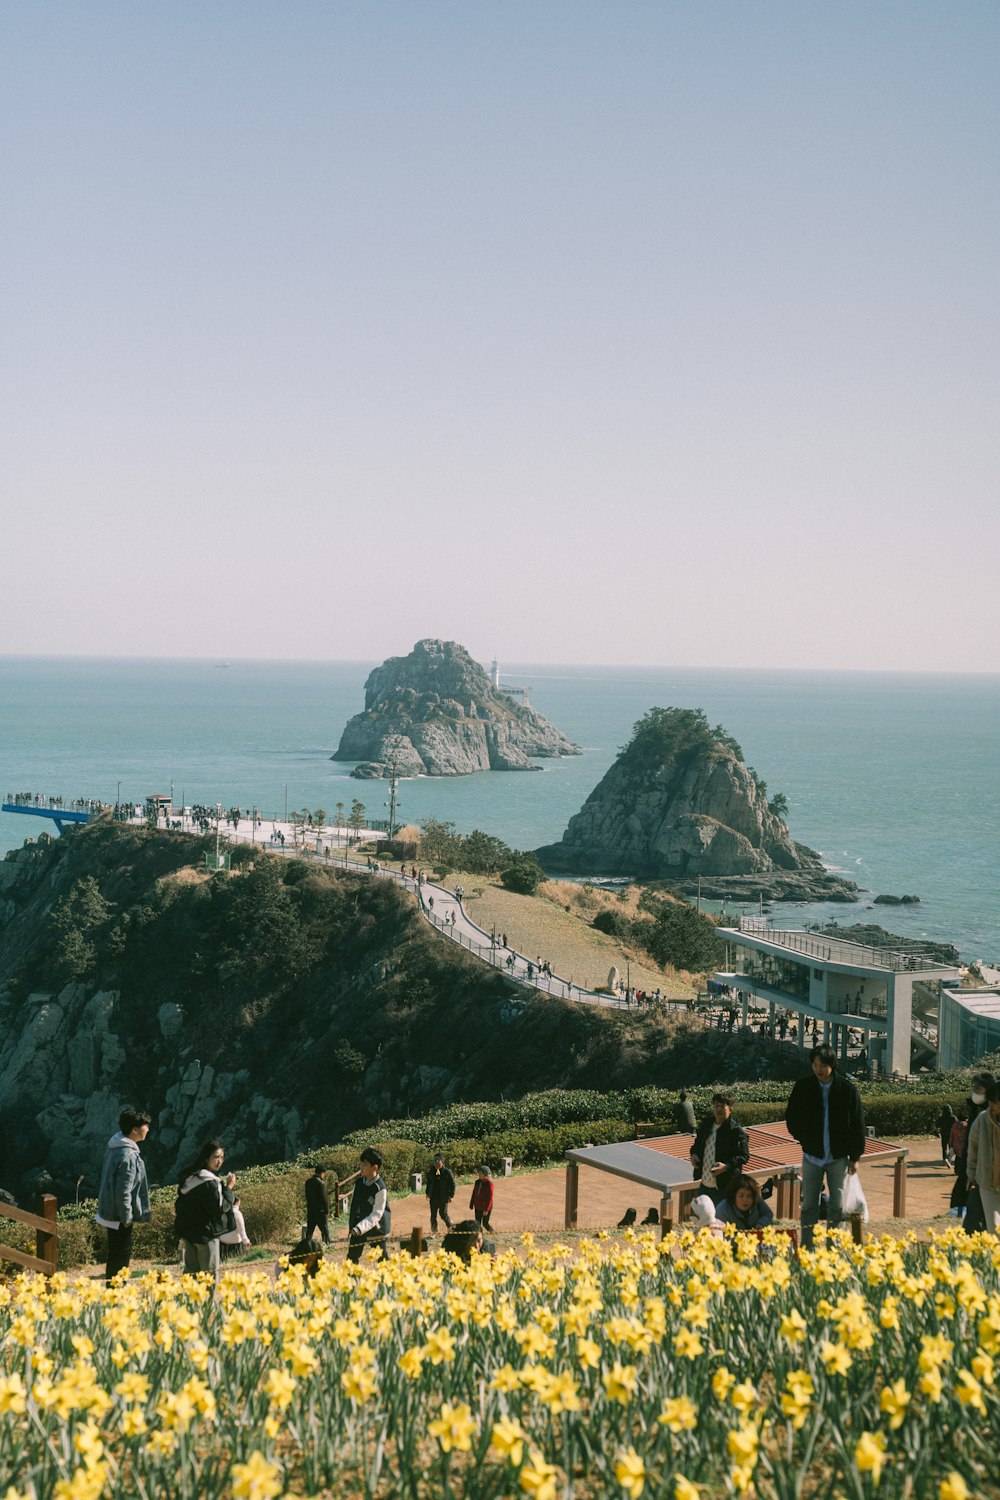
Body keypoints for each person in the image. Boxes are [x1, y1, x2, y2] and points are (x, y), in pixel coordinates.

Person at [785, 1044, 866, 1247]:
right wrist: (803, 1138)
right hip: (812, 1155)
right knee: (809, 1205)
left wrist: (855, 1157)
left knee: (836, 1207)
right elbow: (791, 1117)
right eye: (814, 1065)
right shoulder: (803, 1087)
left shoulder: (847, 1090)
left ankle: (833, 1246)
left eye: (822, 1065)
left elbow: (858, 1124)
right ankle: (807, 1245)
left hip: (838, 1157)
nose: (818, 1069)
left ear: (832, 1065)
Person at [96, 1106, 152, 1284]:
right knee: (121, 1255)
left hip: (109, 1210)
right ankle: (117, 1294)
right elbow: (124, 1192)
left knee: (114, 1254)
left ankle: (112, 1291)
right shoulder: (128, 1155)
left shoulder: (115, 1146)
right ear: (135, 1130)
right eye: (145, 1126)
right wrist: (127, 1218)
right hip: (119, 1216)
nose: (148, 1129)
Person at [175, 1139, 237, 1281]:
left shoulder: (190, 1178)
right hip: (206, 1235)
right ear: (206, 1157)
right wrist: (229, 1188)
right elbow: (221, 1208)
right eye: (216, 1157)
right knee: (209, 1276)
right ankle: (207, 1304)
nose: (219, 1161)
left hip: (189, 1234)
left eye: (222, 1157)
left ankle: (189, 1303)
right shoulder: (209, 1183)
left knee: (191, 1275)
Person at [690, 1093, 750, 1203]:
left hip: (725, 1187)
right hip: (704, 1184)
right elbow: (697, 1145)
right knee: (700, 1219)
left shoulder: (736, 1131)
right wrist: (693, 1154)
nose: (719, 1109)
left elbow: (744, 1156)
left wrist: (726, 1167)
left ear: (730, 1109)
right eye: (716, 1106)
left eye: (722, 1106)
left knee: (722, 1220)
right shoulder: (706, 1124)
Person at [951, 1072, 994, 1215]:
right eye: (974, 1088)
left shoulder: (988, 1113)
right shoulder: (975, 1109)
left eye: (978, 1089)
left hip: (983, 1167)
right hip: (969, 1161)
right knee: (961, 1197)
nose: (975, 1092)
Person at [966, 1081, 1000, 1234]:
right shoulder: (982, 1120)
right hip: (987, 1185)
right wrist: (972, 1175)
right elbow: (972, 1149)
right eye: (990, 1102)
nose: (991, 1105)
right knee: (995, 1230)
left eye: (994, 1102)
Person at [348, 1147, 391, 1262]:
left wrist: (360, 1227)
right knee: (351, 1259)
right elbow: (354, 1205)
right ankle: (351, 1279)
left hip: (376, 1229)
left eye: (365, 1164)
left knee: (382, 1261)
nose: (361, 1167)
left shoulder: (380, 1188)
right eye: (361, 1163)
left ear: (375, 1167)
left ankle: (387, 1280)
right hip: (358, 1227)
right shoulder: (359, 1182)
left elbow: (376, 1214)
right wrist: (353, 1224)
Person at [425, 1153, 456, 1234]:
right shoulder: (432, 1171)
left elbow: (452, 1184)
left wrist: (451, 1196)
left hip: (443, 1197)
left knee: (443, 1213)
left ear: (442, 1162)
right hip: (434, 1196)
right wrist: (427, 1193)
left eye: (437, 1160)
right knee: (433, 1216)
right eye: (434, 1161)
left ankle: (450, 1227)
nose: (435, 1162)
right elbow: (429, 1182)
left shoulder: (447, 1172)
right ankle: (434, 1232)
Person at [305, 1163, 330, 1244]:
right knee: (324, 1230)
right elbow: (324, 1199)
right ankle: (327, 1244)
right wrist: (326, 1210)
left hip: (311, 1210)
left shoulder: (308, 1182)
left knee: (309, 1231)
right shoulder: (321, 1184)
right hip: (320, 1211)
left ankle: (307, 1245)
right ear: (322, 1173)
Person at [470, 1165, 494, 1231]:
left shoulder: (489, 1184)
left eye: (481, 1173)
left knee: (485, 1224)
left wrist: (486, 1209)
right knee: (477, 1223)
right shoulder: (477, 1182)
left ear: (485, 1174)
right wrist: (471, 1203)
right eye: (479, 1173)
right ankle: (480, 1236)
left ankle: (493, 1233)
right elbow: (474, 1193)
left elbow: (490, 1198)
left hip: (486, 1207)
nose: (479, 1174)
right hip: (478, 1206)